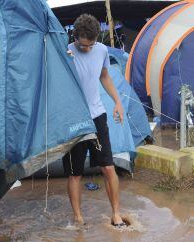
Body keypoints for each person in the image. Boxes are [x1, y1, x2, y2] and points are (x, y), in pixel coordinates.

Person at [62, 14, 126, 228]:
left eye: (91, 45)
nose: (88, 49)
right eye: (84, 45)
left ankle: (116, 213)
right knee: (75, 173)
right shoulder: (66, 51)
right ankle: (78, 217)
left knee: (108, 167)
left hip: (97, 116)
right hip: (74, 120)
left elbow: (105, 76)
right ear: (76, 36)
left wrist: (117, 102)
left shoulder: (101, 50)